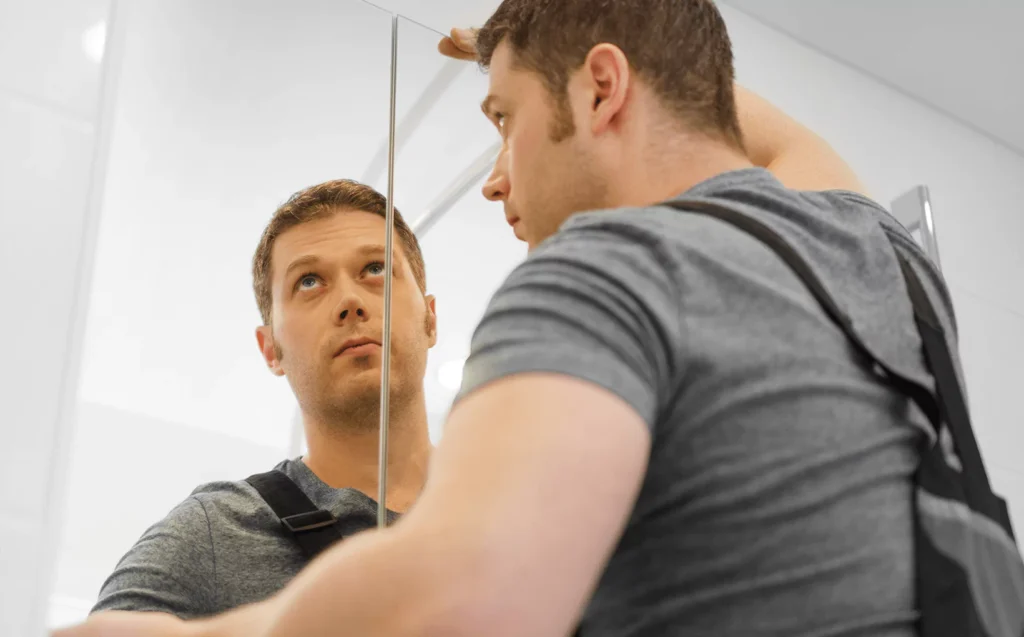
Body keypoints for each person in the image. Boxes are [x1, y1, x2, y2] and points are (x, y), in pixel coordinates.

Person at [56, 0, 962, 634]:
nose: (494, 174)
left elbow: (467, 601)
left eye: (502, 119)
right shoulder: (885, 249)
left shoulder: (606, 270)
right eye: (307, 285)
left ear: (604, 90)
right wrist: (573, 46)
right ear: (267, 344)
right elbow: (745, 131)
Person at [86, 179, 438, 618]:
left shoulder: (521, 500)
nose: (350, 300)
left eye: (376, 269)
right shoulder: (213, 534)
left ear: (431, 320)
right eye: (309, 281)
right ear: (272, 349)